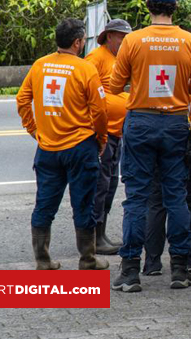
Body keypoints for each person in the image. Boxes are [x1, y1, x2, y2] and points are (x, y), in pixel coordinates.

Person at [109, 0, 191, 292]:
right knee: (175, 195)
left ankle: (130, 271)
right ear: (175, 6)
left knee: (137, 197)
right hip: (176, 123)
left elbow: (114, 85)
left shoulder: (134, 41)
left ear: (148, 5)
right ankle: (179, 268)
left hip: (140, 122)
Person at [16, 18, 109, 271]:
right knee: (83, 204)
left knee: (45, 204)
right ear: (78, 42)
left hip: (47, 150)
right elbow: (99, 112)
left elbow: (22, 100)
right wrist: (101, 139)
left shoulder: (39, 66)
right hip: (80, 147)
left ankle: (43, 260)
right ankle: (87, 259)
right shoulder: (85, 69)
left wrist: (34, 129)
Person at [142, 36, 191, 275]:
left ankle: (152, 262)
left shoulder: (167, 69)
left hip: (161, 136)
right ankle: (187, 259)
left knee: (156, 201)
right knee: (188, 201)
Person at [83, 18, 133, 255]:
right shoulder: (96, 58)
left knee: (111, 183)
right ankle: (92, 236)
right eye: (121, 38)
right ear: (109, 36)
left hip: (118, 133)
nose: (124, 43)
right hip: (100, 135)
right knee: (100, 185)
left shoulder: (121, 59)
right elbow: (83, 91)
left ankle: (100, 232)